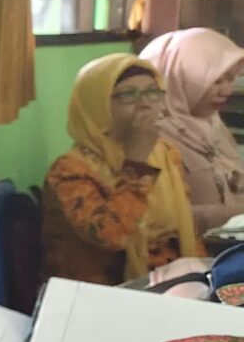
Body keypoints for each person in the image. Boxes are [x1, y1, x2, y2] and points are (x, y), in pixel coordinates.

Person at [40, 53, 205, 285]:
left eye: (152, 92)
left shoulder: (165, 154)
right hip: (101, 290)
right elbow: (110, 236)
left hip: (170, 278)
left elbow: (185, 229)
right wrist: (136, 164)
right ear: (97, 106)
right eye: (129, 95)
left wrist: (205, 276)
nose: (145, 103)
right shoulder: (70, 170)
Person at [140, 27, 244, 232]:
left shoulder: (212, 125)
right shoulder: (149, 138)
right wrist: (233, 214)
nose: (227, 91)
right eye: (216, 81)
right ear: (178, 77)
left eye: (231, 79)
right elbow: (156, 217)